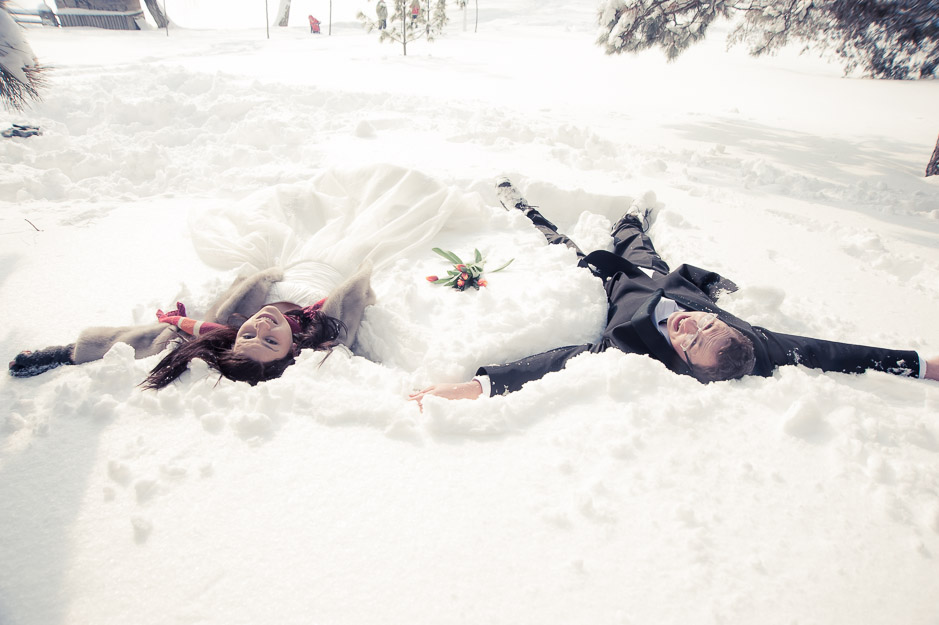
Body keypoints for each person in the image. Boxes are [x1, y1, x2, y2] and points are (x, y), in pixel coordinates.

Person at [410, 178, 939, 404]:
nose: (692, 324)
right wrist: (922, 365)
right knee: (632, 235)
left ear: (681, 361)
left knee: (565, 249)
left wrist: (473, 388)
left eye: (690, 338)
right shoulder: (761, 343)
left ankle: (523, 208)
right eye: (709, 323)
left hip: (621, 287)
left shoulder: (635, 349)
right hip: (664, 276)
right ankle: (634, 214)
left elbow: (554, 364)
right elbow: (836, 354)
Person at [9, 166, 461, 389]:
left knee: (315, 208)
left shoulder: (222, 326)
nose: (260, 327)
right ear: (294, 351)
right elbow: (379, 367)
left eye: (249, 335)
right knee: (378, 209)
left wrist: (71, 352)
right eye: (269, 341)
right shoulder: (324, 335)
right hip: (342, 260)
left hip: (291, 255)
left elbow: (153, 337)